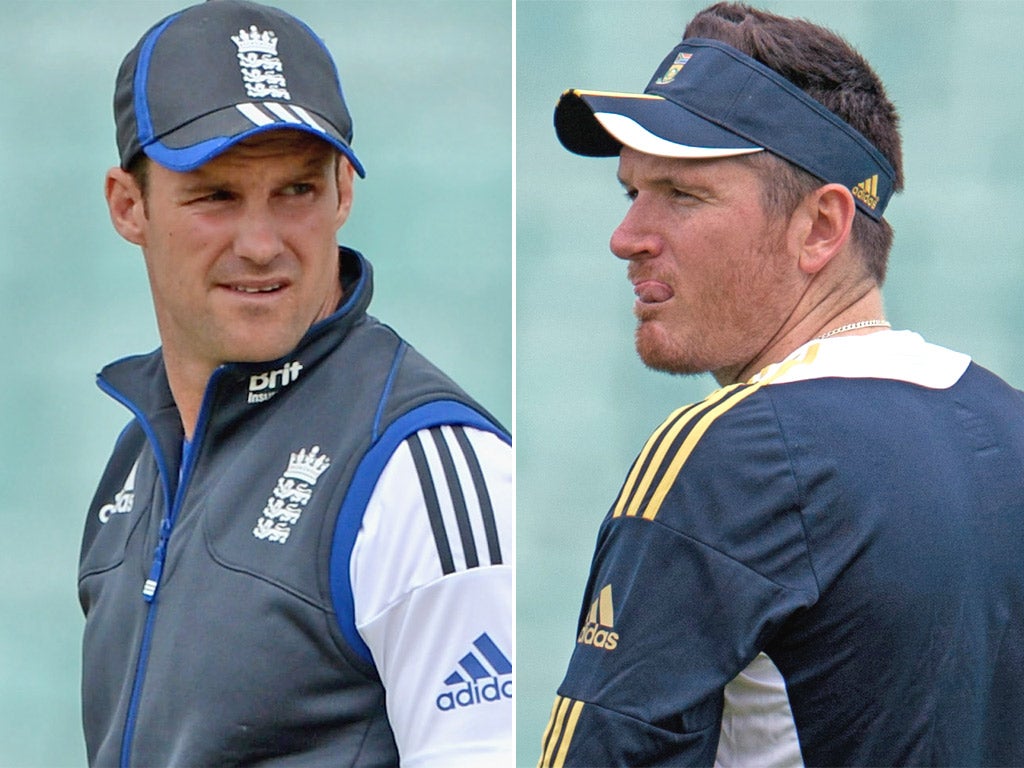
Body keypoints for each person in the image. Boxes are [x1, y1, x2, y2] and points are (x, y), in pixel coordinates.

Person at [538, 2, 1024, 766]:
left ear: (823, 226)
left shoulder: (733, 453)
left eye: (682, 194)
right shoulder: (1009, 424)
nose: (626, 238)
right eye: (632, 192)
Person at [77, 1, 513, 765]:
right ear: (127, 205)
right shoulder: (140, 455)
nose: (261, 244)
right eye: (216, 195)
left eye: (297, 191)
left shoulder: (424, 468)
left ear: (343, 191)